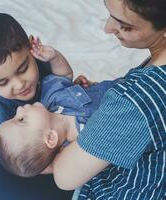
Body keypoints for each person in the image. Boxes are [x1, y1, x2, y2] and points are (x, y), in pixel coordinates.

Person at [51, 0, 166, 199]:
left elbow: (65, 177)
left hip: (139, 189)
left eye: (125, 26)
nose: (107, 28)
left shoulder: (135, 100)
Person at [0, 13, 74, 199]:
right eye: (3, 82)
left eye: (23, 69)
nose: (20, 84)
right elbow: (26, 159)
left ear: (31, 48)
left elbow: (62, 81)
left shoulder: (40, 62)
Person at [0, 74, 119, 178]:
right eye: (21, 119)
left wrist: (79, 88)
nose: (19, 109)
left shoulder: (52, 100)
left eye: (13, 116)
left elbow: (63, 75)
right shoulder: (86, 140)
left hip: (124, 81)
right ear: (50, 138)